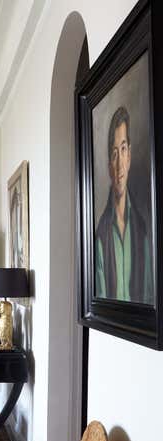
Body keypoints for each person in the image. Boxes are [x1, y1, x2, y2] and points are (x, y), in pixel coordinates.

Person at [95, 106, 153, 304]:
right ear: (109, 164)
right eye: (113, 153)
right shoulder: (100, 235)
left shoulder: (143, 230)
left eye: (123, 149)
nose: (119, 163)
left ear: (129, 156)